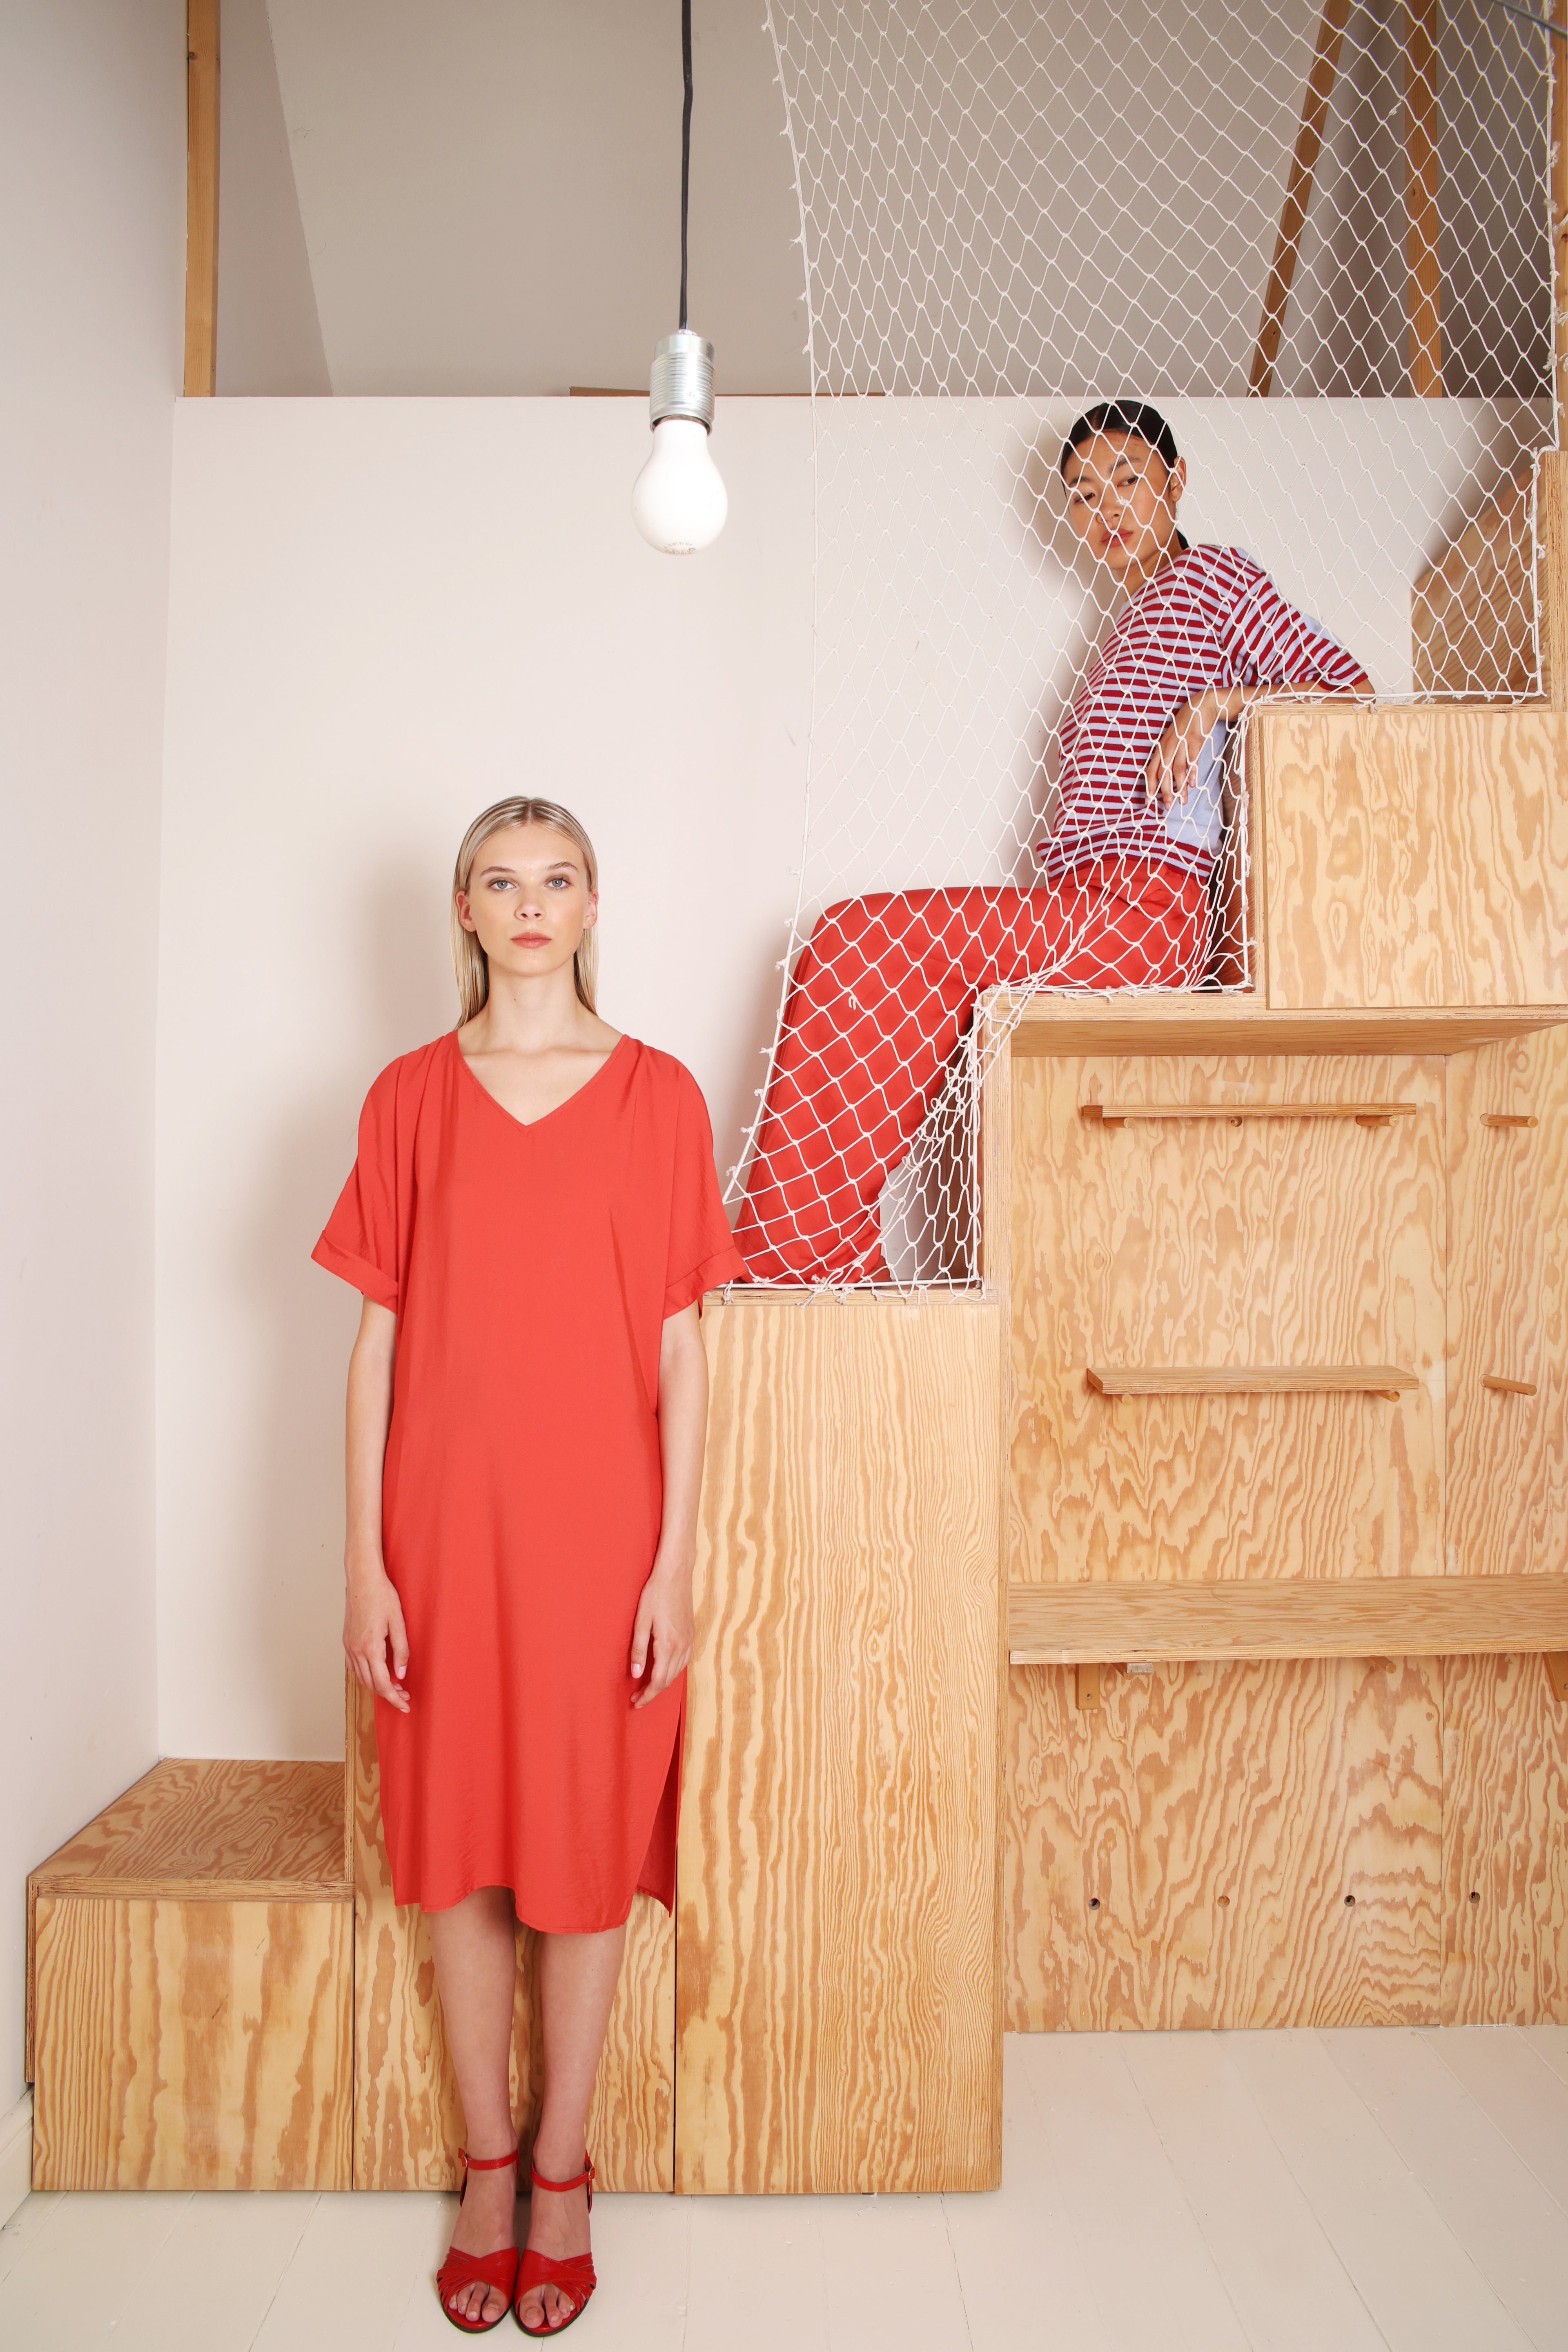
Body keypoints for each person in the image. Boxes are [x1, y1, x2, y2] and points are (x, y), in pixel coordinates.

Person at [313, 797, 744, 2334]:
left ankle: (564, 2167)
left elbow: (683, 1353)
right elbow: (374, 1347)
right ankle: (486, 2167)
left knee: (579, 1851)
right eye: (502, 881)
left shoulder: (661, 1097)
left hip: (602, 1539)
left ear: (593, 902)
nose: (532, 903)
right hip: (442, 1533)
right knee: (459, 1849)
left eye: (557, 878)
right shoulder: (409, 1098)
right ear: (467, 912)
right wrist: (363, 1563)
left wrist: (675, 1561)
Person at [733, 399, 1372, 1285]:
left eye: (1127, 478)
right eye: (1081, 493)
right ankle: (814, 1251)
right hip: (1088, 906)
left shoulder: (1216, 579)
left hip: (1148, 916)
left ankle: (802, 1255)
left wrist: (1218, 705)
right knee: (862, 948)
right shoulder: (1122, 632)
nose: (1105, 507)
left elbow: (1351, 692)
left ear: (1177, 481)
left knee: (860, 937)